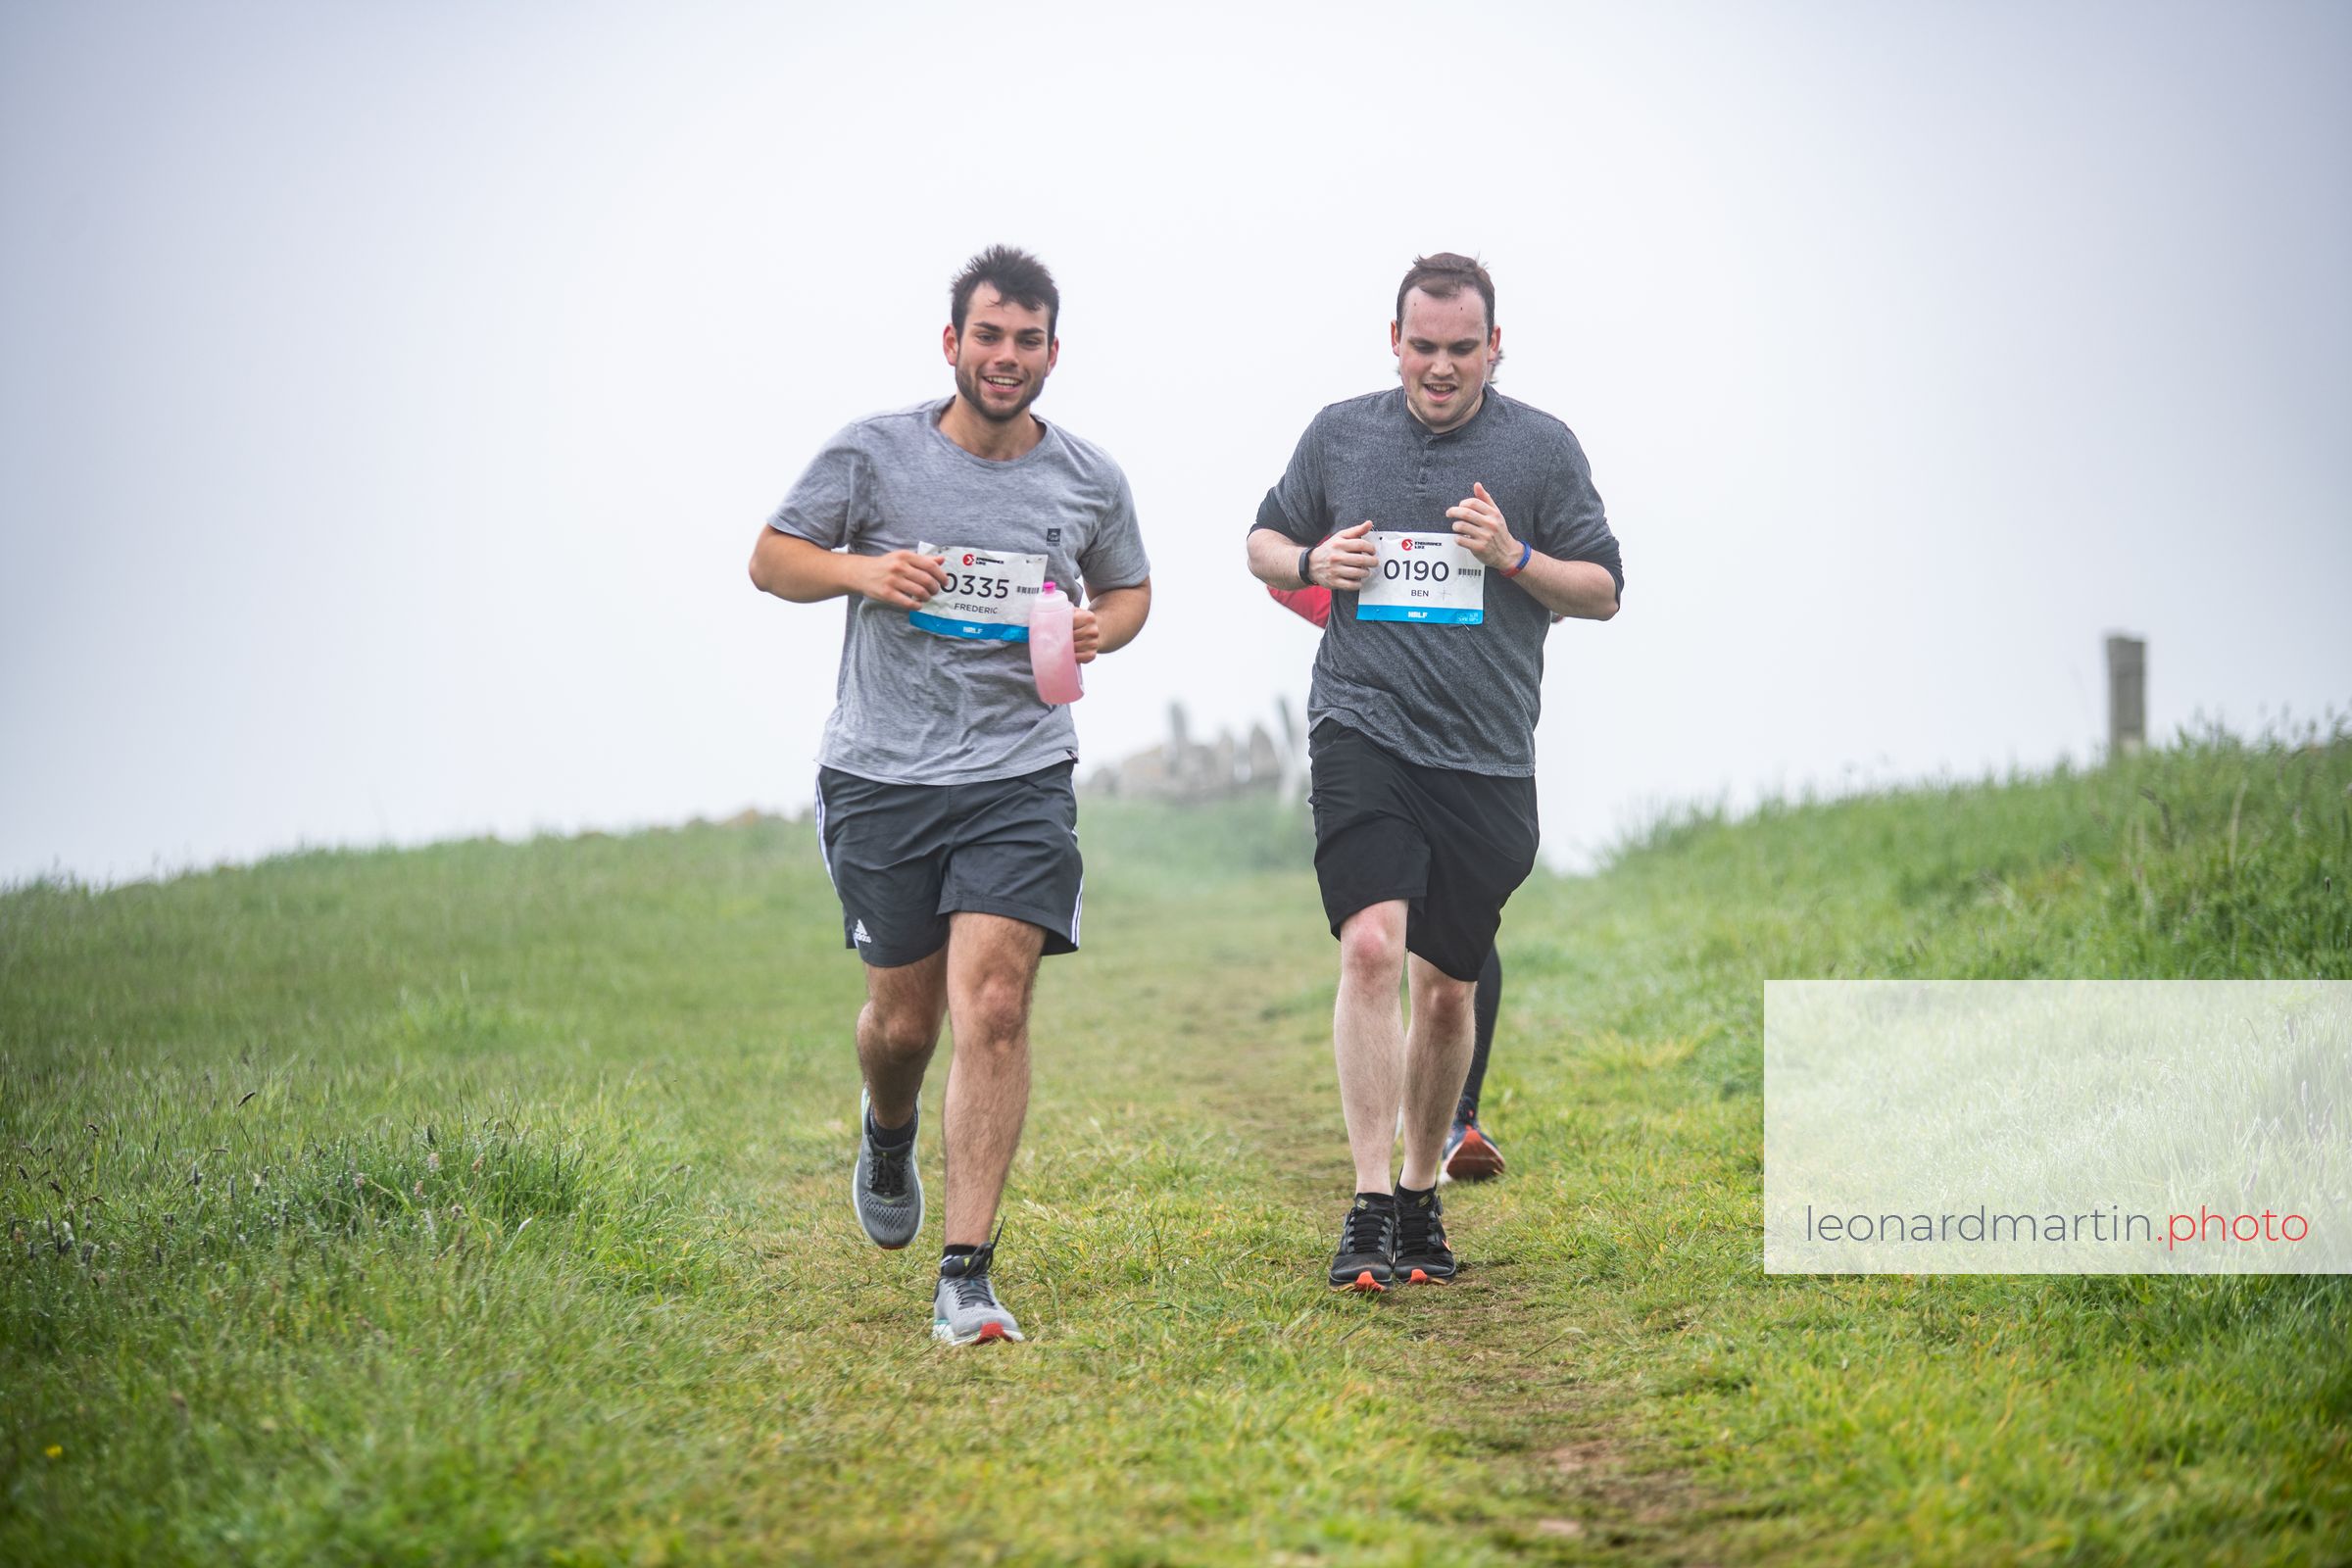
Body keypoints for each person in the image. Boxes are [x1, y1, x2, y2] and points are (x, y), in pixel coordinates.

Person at [750, 246, 1152, 1344]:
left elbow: (1128, 589)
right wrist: (863, 571)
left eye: (1028, 340)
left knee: (997, 1005)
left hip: (1019, 771)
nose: (1006, 356)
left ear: (1053, 353)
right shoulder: (873, 453)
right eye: (989, 335)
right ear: (952, 344)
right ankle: (888, 1128)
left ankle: (966, 1275)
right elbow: (772, 560)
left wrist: (1101, 628)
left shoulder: (1088, 476)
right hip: (882, 773)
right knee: (903, 1022)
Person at [1247, 252, 1622, 1291]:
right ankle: (1370, 1202)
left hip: (1486, 755)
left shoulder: (1542, 449)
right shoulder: (1340, 433)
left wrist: (1513, 555)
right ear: (1395, 342)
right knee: (1371, 947)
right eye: (1424, 347)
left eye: (1463, 348)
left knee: (1449, 992)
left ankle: (1420, 1194)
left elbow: (1601, 589)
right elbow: (1262, 541)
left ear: (1495, 346)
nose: (1442, 367)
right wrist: (1312, 562)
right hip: (1362, 726)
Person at [1262, 585, 1508, 1185]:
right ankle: (1382, 1178)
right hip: (1371, 727)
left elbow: (1566, 581)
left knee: (1457, 947)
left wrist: (1511, 582)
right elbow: (1281, 568)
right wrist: (1371, 602)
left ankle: (1455, 1120)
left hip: (1475, 724)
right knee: (1375, 939)